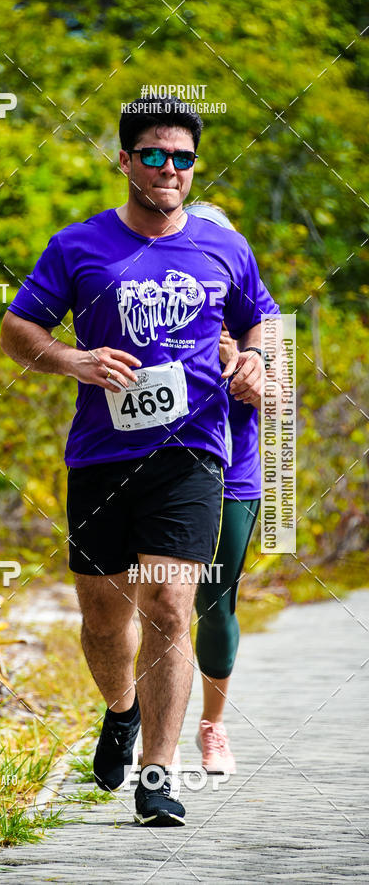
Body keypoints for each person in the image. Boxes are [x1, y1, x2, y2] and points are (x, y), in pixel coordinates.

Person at [0, 96, 280, 827]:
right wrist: (73, 359)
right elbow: (17, 327)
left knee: (169, 605)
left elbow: (258, 316)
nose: (169, 169)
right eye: (154, 155)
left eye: (183, 158)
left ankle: (158, 773)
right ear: (125, 161)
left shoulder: (224, 247)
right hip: (102, 453)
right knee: (103, 615)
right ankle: (120, 710)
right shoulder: (78, 245)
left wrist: (254, 359)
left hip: (193, 453)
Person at [186, 202, 270, 776]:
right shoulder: (162, 310)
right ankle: (142, 723)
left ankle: (212, 727)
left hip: (233, 476)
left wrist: (242, 367)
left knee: (214, 602)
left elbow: (279, 403)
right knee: (154, 599)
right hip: (159, 469)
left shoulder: (261, 322)